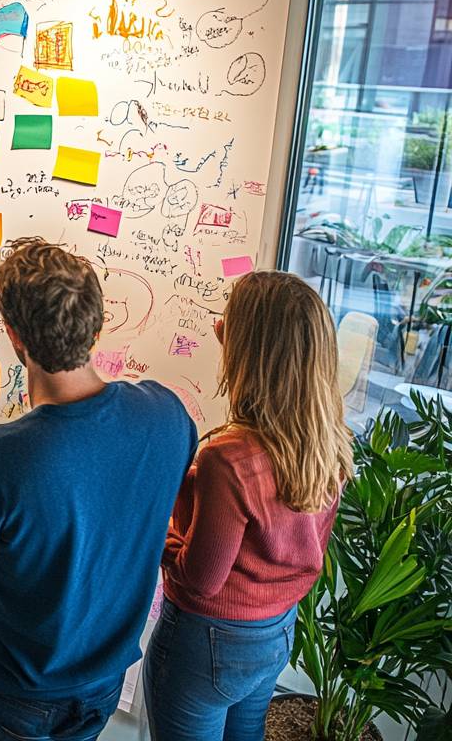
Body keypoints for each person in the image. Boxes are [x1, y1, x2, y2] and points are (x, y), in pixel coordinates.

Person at [0, 238, 197, 741]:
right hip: (101, 688)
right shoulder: (168, 416)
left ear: (14, 336)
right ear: (98, 325)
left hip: (7, 693)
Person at [144, 271, 353, 741]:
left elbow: (200, 579)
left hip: (208, 640)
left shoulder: (229, 460)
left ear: (249, 352)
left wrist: (155, 531)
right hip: (275, 630)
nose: (219, 326)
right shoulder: (328, 443)